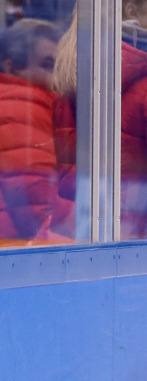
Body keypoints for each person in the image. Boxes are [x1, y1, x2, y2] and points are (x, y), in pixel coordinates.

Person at [0, 17, 73, 242]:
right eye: (48, 66)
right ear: (12, 68)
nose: (56, 78)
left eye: (59, 66)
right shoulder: (21, 106)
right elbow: (36, 206)